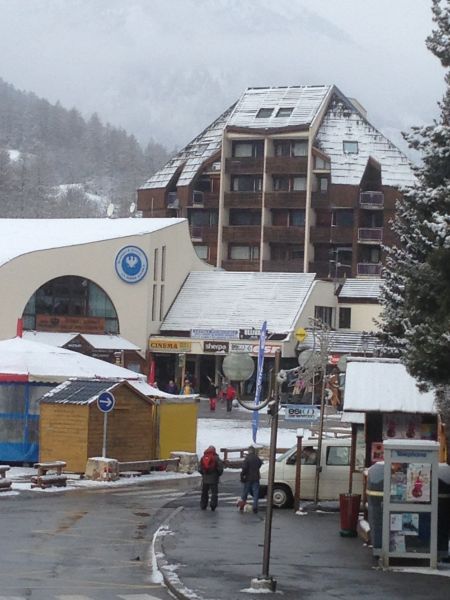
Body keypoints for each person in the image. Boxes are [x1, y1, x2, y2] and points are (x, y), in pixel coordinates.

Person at [198, 445, 224, 511]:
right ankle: (213, 505)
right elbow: (220, 468)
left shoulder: (203, 457)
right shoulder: (216, 458)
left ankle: (203, 505)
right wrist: (218, 474)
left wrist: (204, 473)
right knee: (214, 493)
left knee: (204, 492)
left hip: (205, 479)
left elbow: (199, 468)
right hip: (214, 478)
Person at [239, 446, 263, 514]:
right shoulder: (257, 458)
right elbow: (260, 464)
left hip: (248, 478)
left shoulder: (247, 458)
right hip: (256, 477)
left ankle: (242, 505)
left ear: (249, 451)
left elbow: (244, 468)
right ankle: (255, 506)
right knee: (256, 493)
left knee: (245, 492)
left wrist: (242, 475)